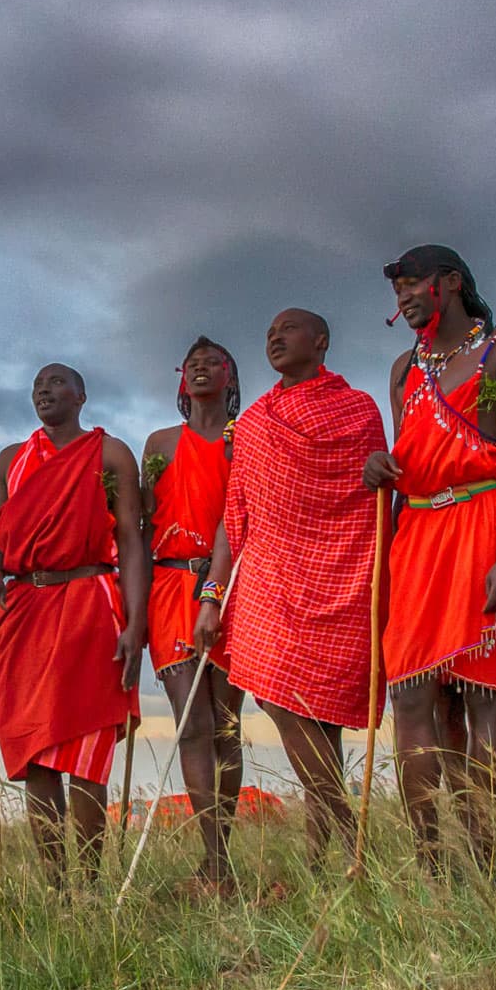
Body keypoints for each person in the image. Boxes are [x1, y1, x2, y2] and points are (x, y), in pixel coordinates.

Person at [362, 245, 496, 869]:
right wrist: (381, 470)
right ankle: (430, 860)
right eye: (397, 289)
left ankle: (483, 853)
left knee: (483, 693)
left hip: (485, 522)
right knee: (411, 695)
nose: (404, 296)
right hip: (418, 534)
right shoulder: (404, 367)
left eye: (414, 283)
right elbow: (410, 457)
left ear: (450, 283)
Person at [194, 310, 387, 867]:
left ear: (321, 342)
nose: (274, 336)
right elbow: (237, 514)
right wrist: (213, 592)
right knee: (278, 697)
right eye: (269, 330)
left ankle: (319, 858)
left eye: (289, 329)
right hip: (269, 577)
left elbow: (369, 500)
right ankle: (349, 831)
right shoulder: (254, 421)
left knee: (324, 714)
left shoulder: (359, 410)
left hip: (342, 571)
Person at [0, 364, 146, 886]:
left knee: (86, 747)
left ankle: (90, 885)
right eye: (36, 386)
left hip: (88, 600)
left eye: (55, 382)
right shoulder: (11, 460)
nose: (43, 391)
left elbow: (132, 542)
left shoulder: (109, 453)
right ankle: (57, 888)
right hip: (24, 608)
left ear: (81, 395)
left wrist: (136, 624)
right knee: (36, 751)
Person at [141, 337, 245, 889]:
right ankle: (214, 862)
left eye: (213, 362)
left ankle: (219, 860)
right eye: (192, 364)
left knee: (226, 727)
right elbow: (139, 530)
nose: (202, 369)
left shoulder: (245, 439)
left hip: (233, 588)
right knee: (192, 724)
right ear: (182, 379)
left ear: (230, 375)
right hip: (170, 584)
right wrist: (132, 614)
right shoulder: (159, 443)